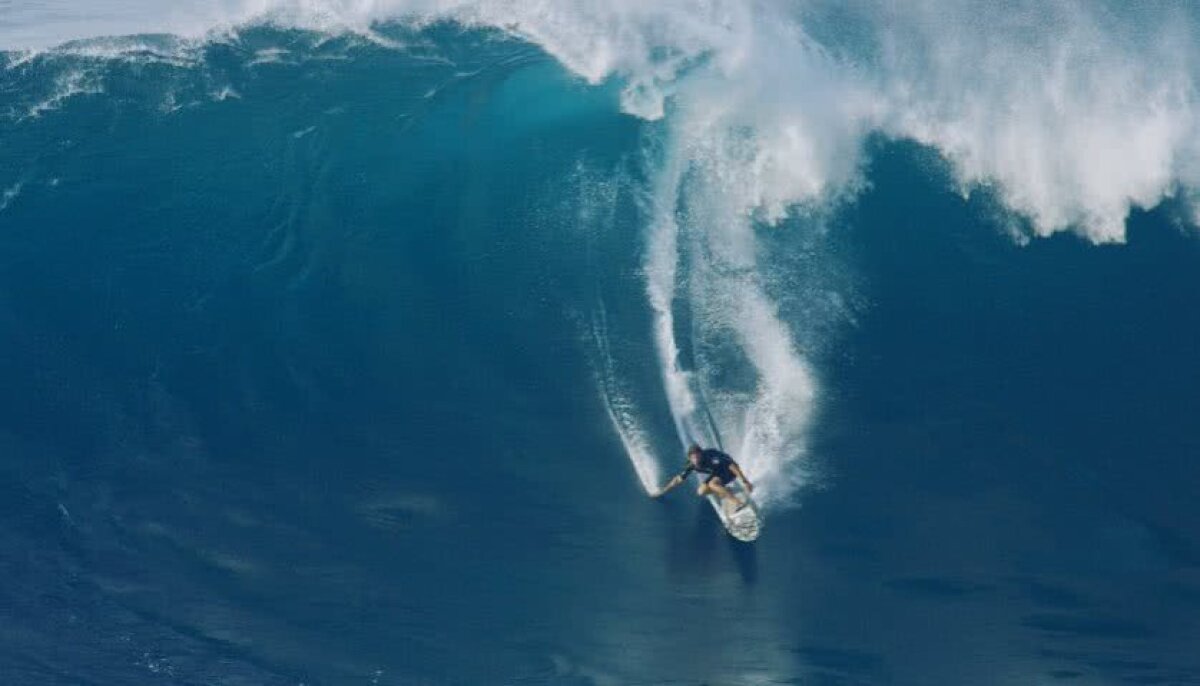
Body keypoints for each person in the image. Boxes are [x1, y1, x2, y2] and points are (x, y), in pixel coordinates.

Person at [653, 443, 753, 511]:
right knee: (701, 492)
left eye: (698, 456)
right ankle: (724, 490)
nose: (696, 459)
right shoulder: (691, 464)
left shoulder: (711, 456)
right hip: (717, 473)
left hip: (730, 471)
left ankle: (738, 503)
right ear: (689, 457)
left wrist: (745, 481)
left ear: (702, 454)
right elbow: (678, 479)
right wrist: (663, 491)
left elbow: (731, 465)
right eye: (693, 457)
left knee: (712, 484)